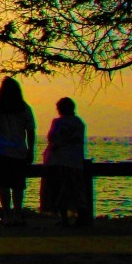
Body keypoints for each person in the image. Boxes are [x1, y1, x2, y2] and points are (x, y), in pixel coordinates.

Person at [0, 77, 35, 226]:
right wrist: (30, 150)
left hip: (0, 151)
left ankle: (7, 215)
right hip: (18, 152)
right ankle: (17, 214)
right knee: (17, 185)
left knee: (3, 185)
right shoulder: (24, 108)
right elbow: (30, 130)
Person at [42, 97, 89, 227]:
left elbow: (51, 137)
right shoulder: (79, 123)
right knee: (75, 190)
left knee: (59, 190)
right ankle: (80, 216)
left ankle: (64, 219)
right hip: (74, 161)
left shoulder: (57, 122)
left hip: (58, 161)